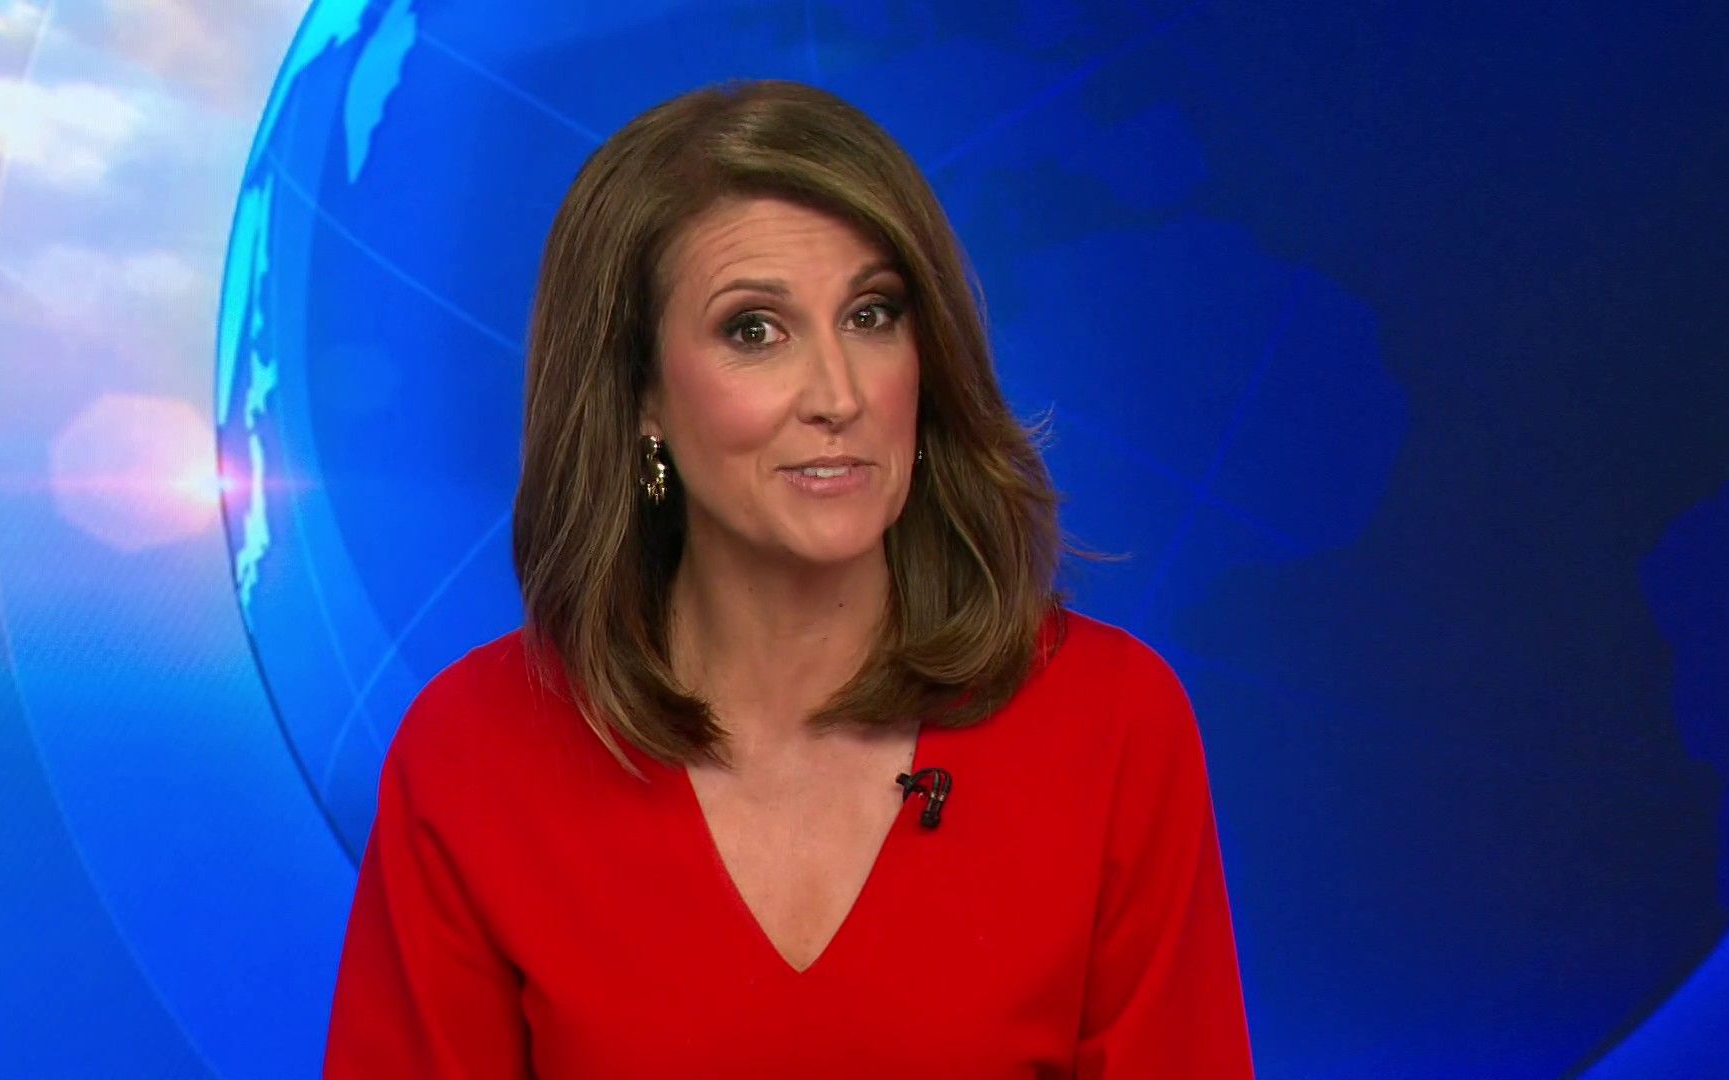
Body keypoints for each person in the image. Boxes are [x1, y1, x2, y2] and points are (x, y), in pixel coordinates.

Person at [323, 78, 1253, 1077]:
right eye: (754, 330)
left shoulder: (1112, 725)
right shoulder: (472, 758)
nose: (838, 395)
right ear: (640, 396)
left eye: (872, 314)